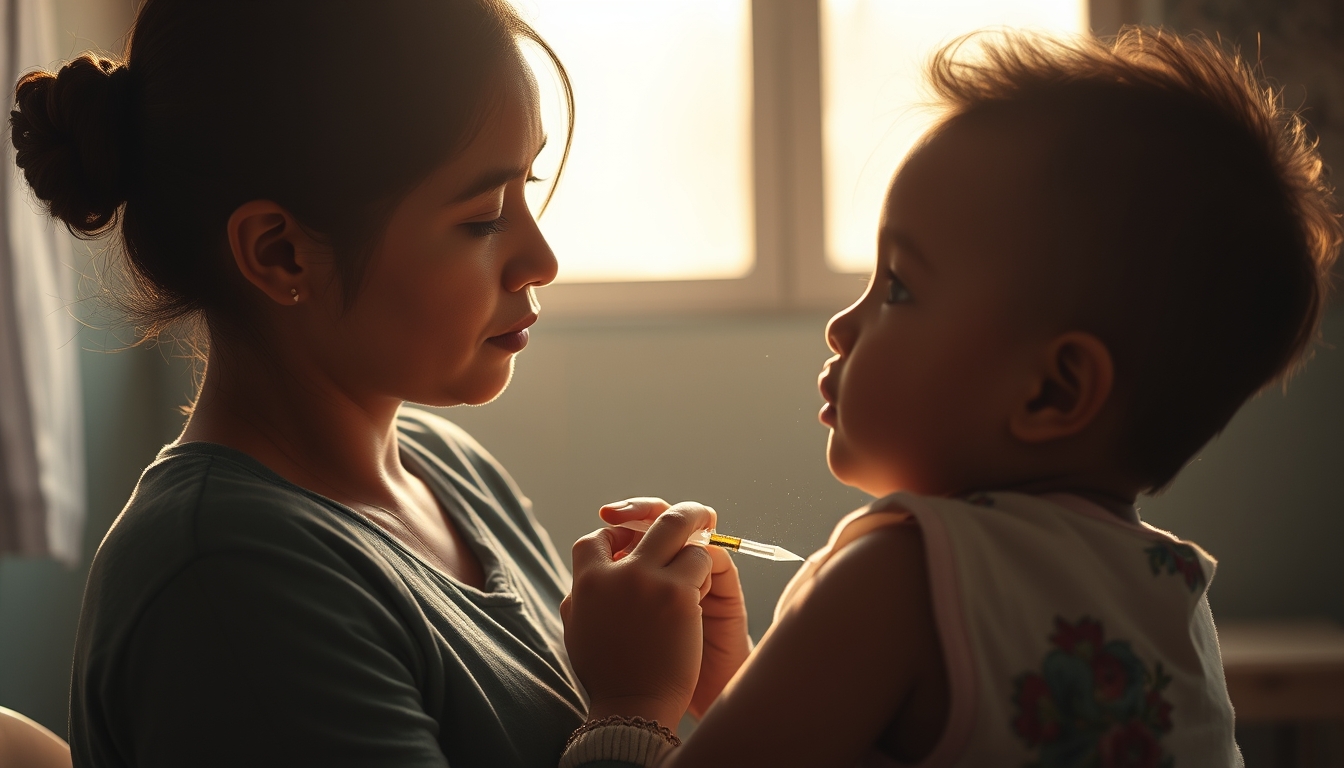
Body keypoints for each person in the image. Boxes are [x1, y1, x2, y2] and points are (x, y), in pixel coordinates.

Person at [560, 28, 1341, 767]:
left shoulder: (894, 572)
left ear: (1054, 389)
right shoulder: (1167, 593)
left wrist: (631, 698)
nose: (840, 325)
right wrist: (745, 686)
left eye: (898, 286)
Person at [9, 1, 735, 766]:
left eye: (530, 184)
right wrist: (633, 708)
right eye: (484, 216)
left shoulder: (444, 465)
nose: (542, 259)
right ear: (282, 253)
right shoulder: (231, 585)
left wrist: (716, 692)